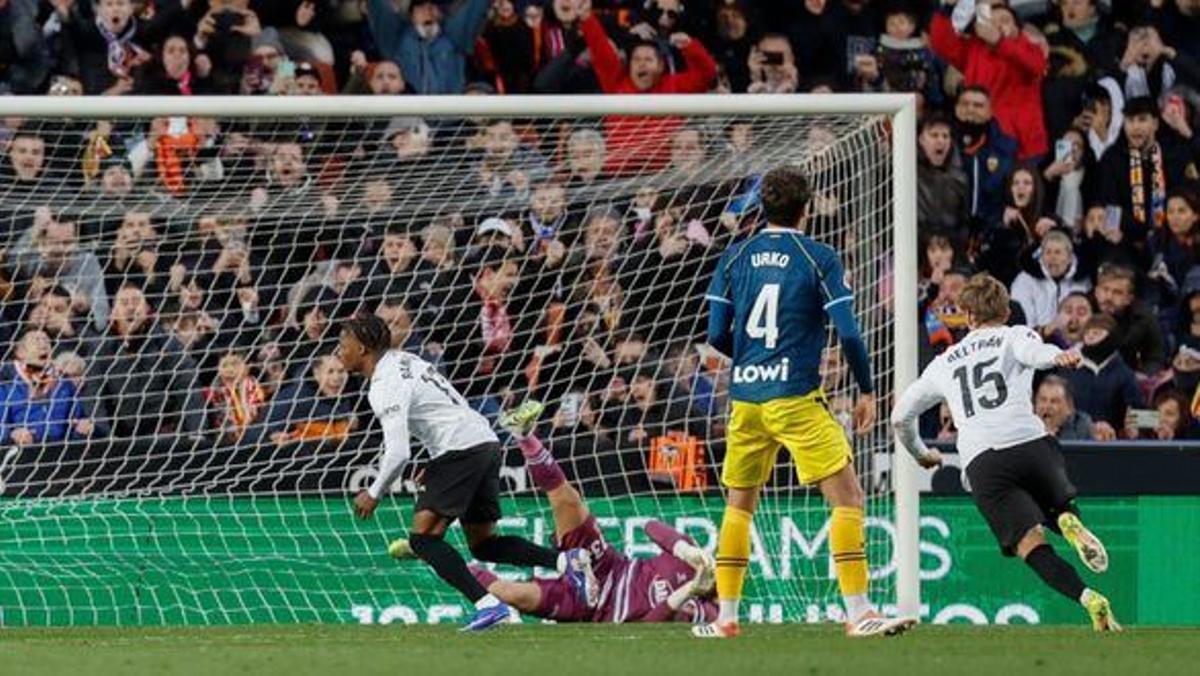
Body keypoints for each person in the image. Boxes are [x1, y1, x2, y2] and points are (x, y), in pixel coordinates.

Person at [694, 165, 916, 639]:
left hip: (745, 400)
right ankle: (858, 613)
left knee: (739, 506)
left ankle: (726, 617)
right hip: (794, 396)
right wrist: (867, 389)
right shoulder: (819, 256)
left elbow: (714, 334)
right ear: (807, 208)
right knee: (849, 498)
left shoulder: (734, 256)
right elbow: (851, 332)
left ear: (761, 208)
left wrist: (753, 359)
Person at [890, 273, 1121, 632]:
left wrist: (921, 453)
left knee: (1031, 545)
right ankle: (1064, 519)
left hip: (983, 461)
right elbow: (1036, 354)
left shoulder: (944, 362)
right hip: (1031, 446)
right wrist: (1059, 356)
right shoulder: (1016, 334)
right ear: (1006, 309)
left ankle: (1089, 598)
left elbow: (900, 416)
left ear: (968, 316)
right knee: (1055, 507)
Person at [336, 314, 591, 632]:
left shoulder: (384, 385)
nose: (338, 351)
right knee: (483, 544)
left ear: (361, 348)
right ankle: (568, 561)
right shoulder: (406, 360)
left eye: (342, 344)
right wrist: (436, 459)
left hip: (460, 449)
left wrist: (373, 493)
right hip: (483, 442)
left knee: (423, 540)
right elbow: (445, 406)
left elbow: (399, 452)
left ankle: (489, 605)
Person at [390, 400, 719, 624]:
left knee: (507, 593)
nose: (723, 572)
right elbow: (651, 526)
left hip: (592, 611)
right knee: (568, 501)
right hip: (610, 568)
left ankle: (429, 552)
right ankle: (525, 436)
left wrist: (690, 589)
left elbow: (650, 623)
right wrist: (690, 551)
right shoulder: (692, 559)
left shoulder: (711, 610)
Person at [1035, 374, 1095, 441]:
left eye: (1054, 401)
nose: (1047, 406)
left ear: (1069, 407)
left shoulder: (1081, 425)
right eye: (1043, 400)